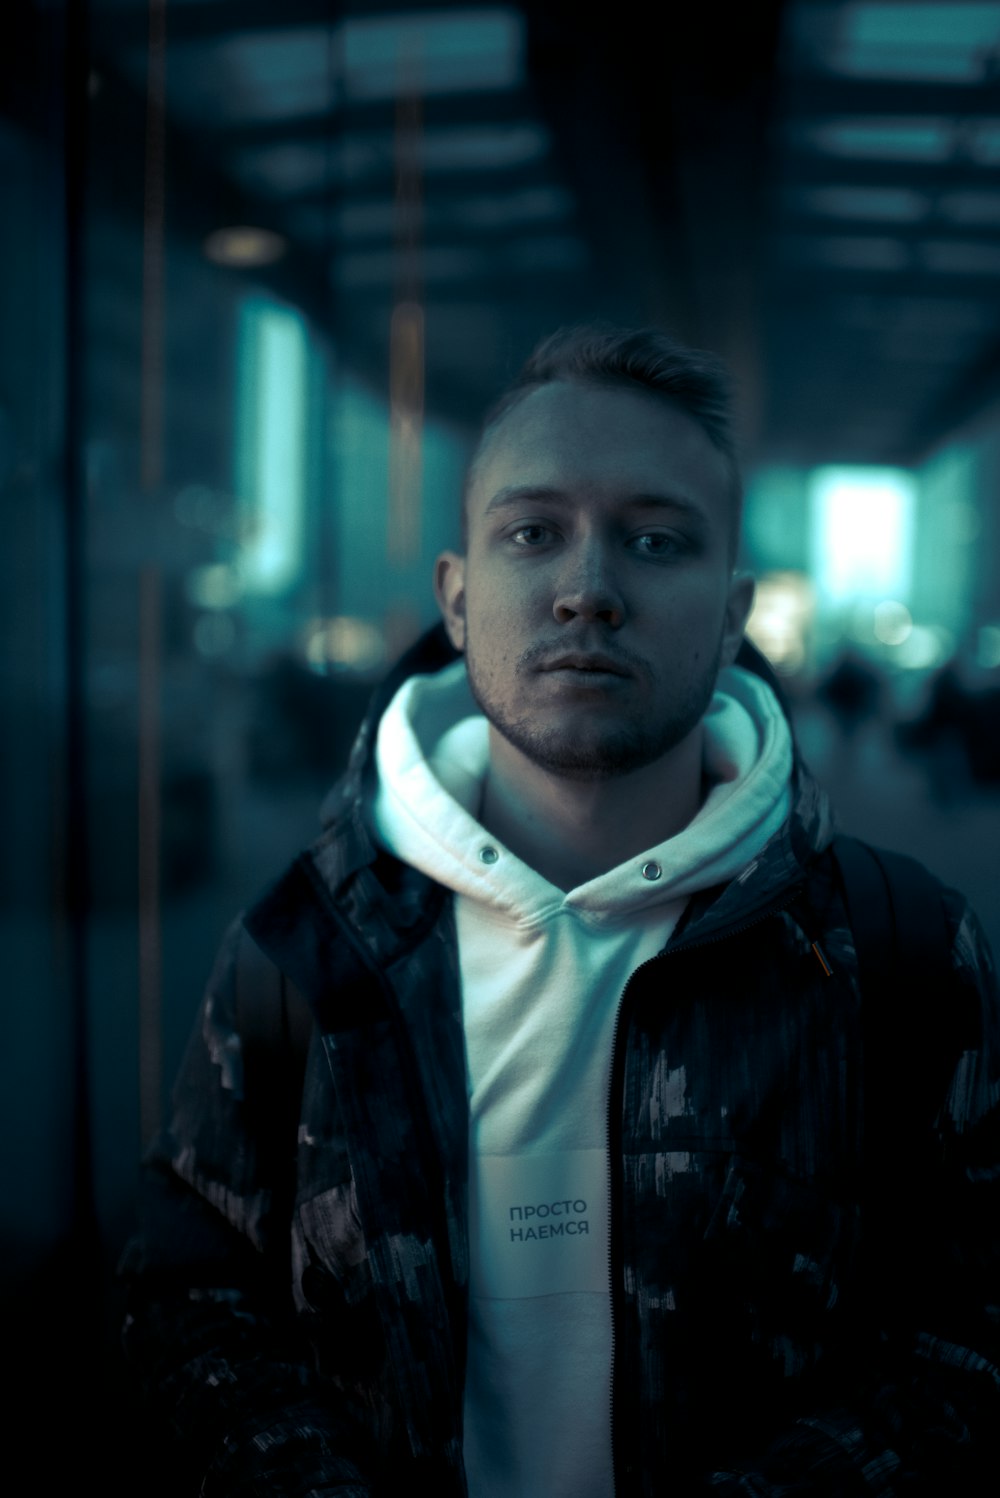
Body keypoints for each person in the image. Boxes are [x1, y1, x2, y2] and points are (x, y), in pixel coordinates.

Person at [119, 325, 1000, 1497]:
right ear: (459, 594)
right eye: (533, 534)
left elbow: (968, 1326)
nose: (589, 590)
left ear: (733, 611)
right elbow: (191, 1289)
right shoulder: (306, 946)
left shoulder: (895, 949)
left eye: (654, 540)